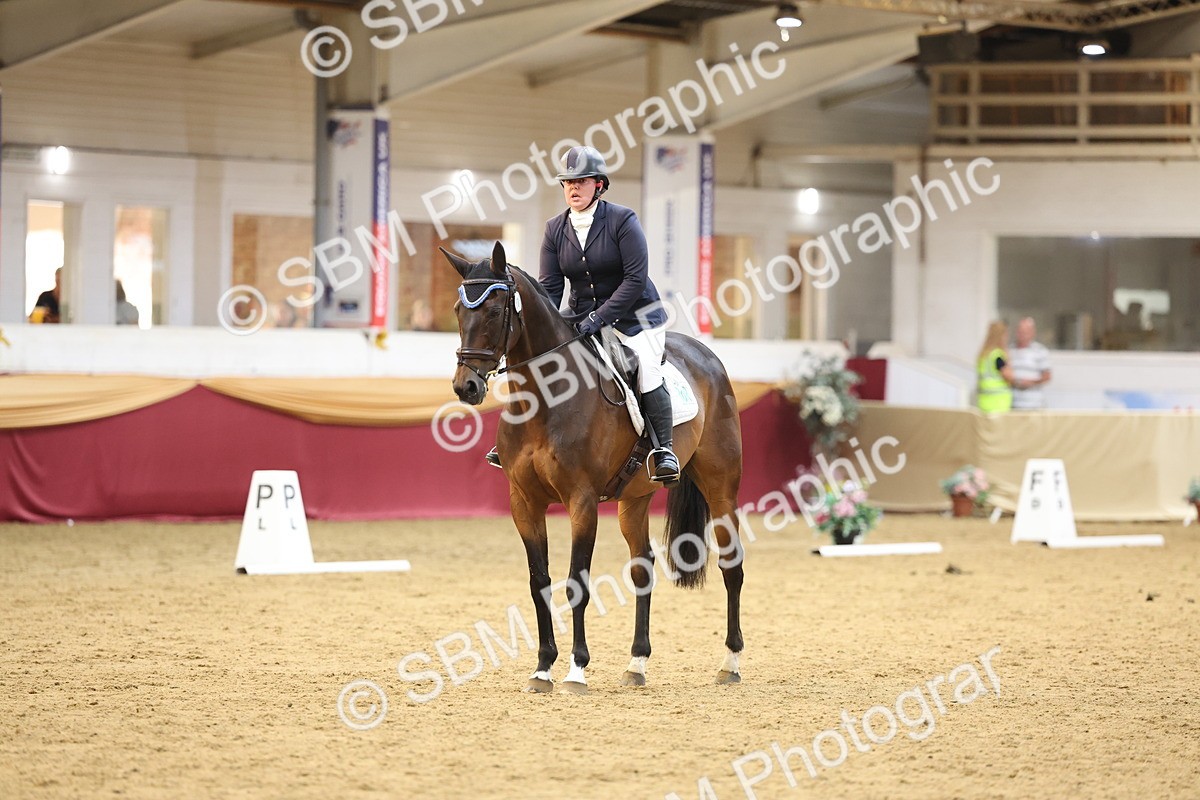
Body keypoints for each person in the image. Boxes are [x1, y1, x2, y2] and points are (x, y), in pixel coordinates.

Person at [485, 145, 680, 484]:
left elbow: (634, 280)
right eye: (567, 182)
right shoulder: (554, 228)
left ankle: (664, 449)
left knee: (647, 368)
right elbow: (549, 287)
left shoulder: (622, 220)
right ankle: (517, 440)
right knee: (545, 363)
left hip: (636, 317)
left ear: (599, 185)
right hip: (582, 317)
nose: (573, 188)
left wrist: (598, 319)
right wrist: (546, 327)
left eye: (582, 181)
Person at [1010, 317, 1050, 410]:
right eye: (1020, 331)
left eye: (1025, 331)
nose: (1022, 334)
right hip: (1014, 404)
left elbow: (1047, 375)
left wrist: (1031, 382)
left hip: (1034, 404)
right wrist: (1016, 381)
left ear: (1032, 333)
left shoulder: (1040, 351)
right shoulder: (1010, 350)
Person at [976, 320, 1014, 414]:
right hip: (998, 403)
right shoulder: (997, 356)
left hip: (984, 403)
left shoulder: (983, 356)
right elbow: (1010, 376)